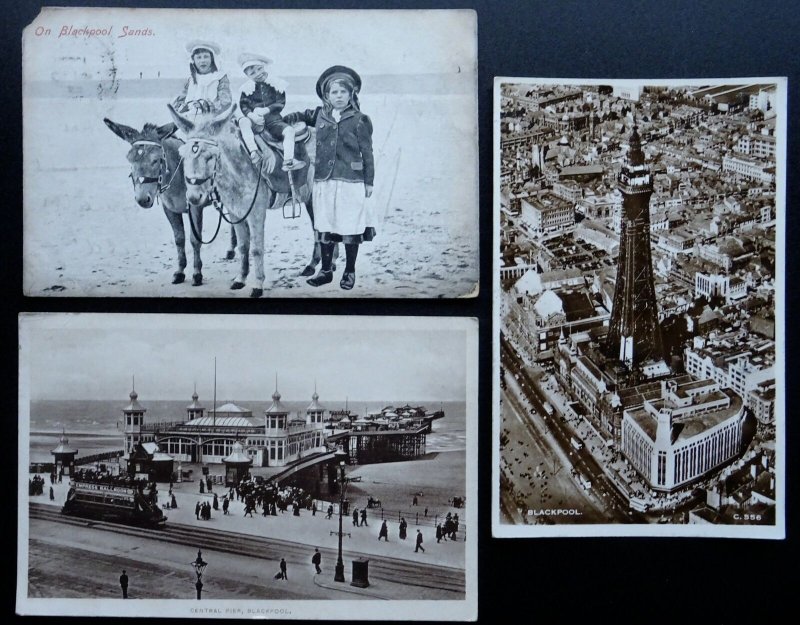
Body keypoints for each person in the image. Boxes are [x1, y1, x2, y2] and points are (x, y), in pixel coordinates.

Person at [284, 65, 375, 290]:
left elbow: (368, 153)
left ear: (352, 94)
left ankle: (350, 271)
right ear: (326, 96)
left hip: (351, 181)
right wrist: (279, 122)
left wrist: (369, 181)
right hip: (324, 181)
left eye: (343, 92)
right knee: (324, 223)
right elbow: (299, 115)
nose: (339, 96)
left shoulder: (360, 119)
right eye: (334, 92)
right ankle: (325, 271)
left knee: (350, 225)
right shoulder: (319, 115)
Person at [236, 53, 297, 167]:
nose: (258, 74)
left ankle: (288, 160)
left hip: (273, 122)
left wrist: (267, 110)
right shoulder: (247, 88)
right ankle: (253, 151)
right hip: (255, 122)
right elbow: (243, 105)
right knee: (243, 122)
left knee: (289, 131)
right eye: (252, 73)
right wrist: (251, 115)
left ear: (264, 66)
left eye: (259, 69)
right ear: (247, 75)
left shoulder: (276, 83)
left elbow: (280, 103)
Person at [173, 41, 232, 116]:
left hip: (213, 117)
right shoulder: (191, 79)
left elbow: (225, 102)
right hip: (189, 116)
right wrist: (182, 107)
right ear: (193, 60)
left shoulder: (220, 77)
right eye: (199, 57)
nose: (202, 60)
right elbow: (181, 99)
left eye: (206, 56)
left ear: (212, 59)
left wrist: (205, 107)